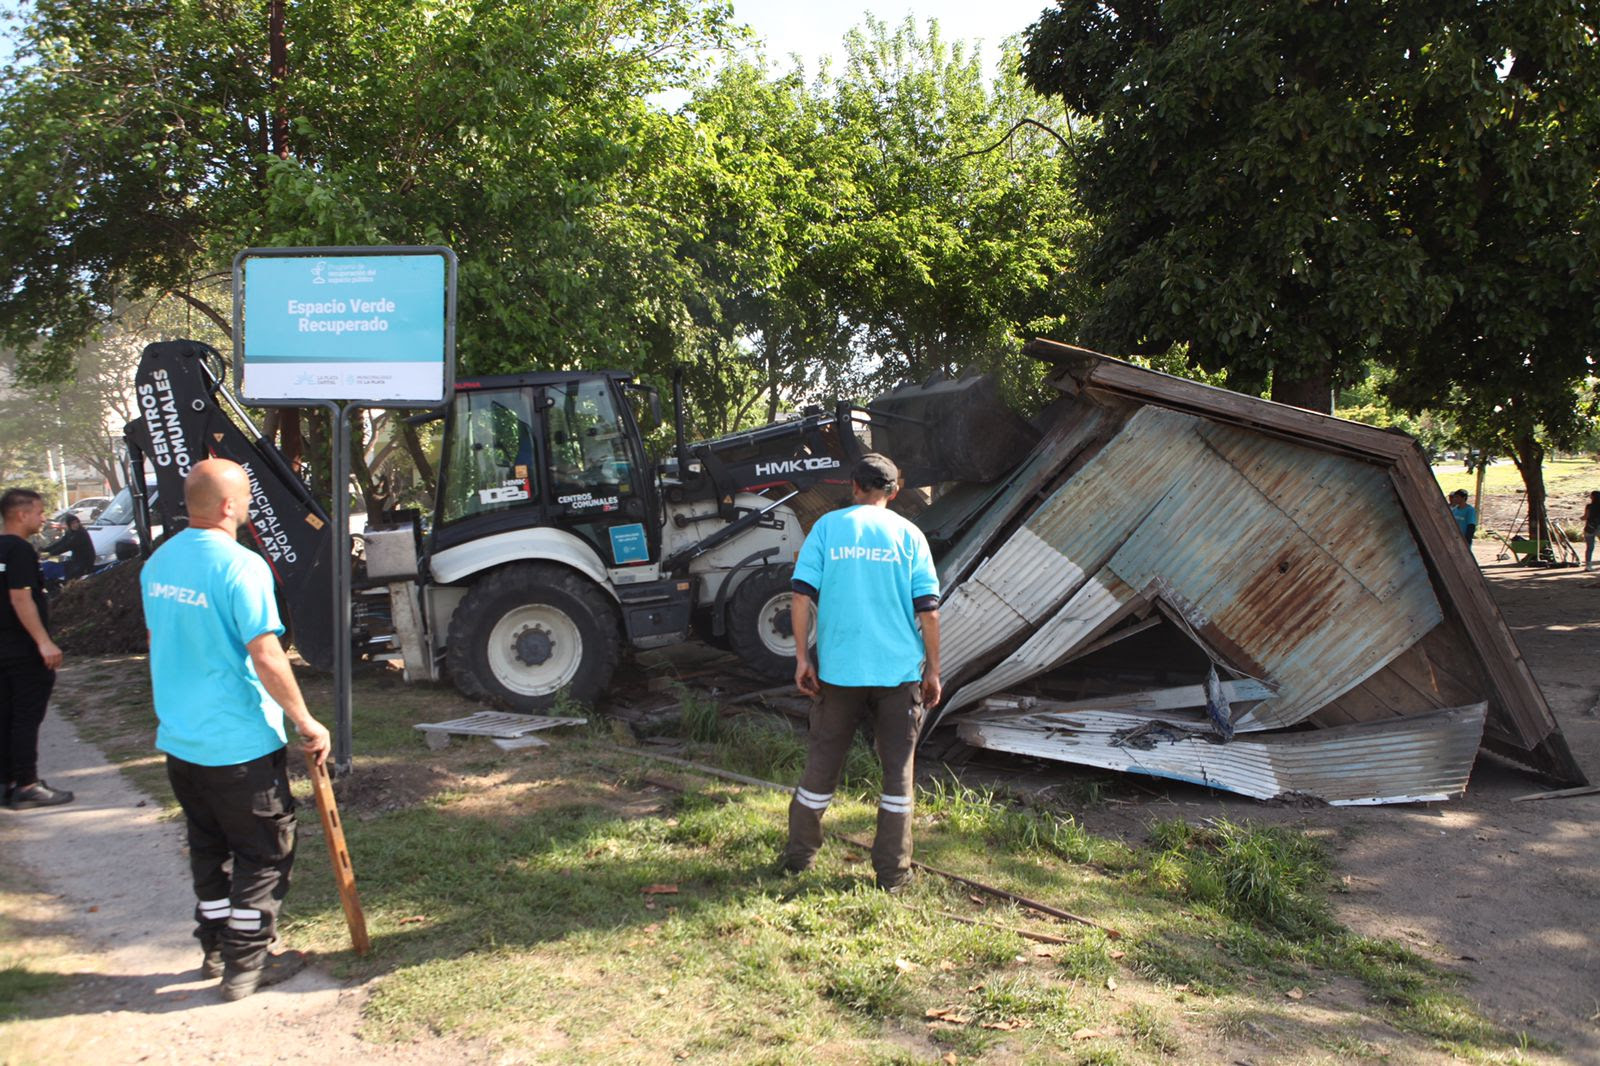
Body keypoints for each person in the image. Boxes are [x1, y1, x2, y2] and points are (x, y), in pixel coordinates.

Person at [140, 458, 330, 1001]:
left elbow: (158, 640)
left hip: (182, 741)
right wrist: (305, 720)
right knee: (264, 853)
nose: (247, 506)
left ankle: (216, 948)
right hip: (238, 743)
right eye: (245, 498)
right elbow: (266, 653)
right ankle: (248, 963)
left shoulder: (158, 562)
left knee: (209, 847)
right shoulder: (241, 566)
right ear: (229, 505)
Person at [781, 453, 941, 891]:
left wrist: (802, 658)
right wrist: (933, 670)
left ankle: (798, 857)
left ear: (853, 487)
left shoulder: (827, 529)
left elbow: (800, 596)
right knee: (898, 776)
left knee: (822, 765)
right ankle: (893, 874)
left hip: (839, 672)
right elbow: (928, 612)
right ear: (895, 491)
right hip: (898, 674)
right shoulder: (910, 535)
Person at [0, 488, 72, 810]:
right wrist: (43, 642)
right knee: (26, 717)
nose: (43, 519)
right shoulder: (19, 550)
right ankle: (27, 784)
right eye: (39, 512)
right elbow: (20, 598)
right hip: (23, 650)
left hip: (3, 648)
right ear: (21, 514)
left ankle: (6, 781)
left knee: (6, 715)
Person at [39, 513, 95, 580]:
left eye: (77, 522)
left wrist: (50, 554)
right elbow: (61, 542)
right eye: (73, 523)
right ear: (69, 525)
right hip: (75, 558)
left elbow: (66, 546)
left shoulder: (81, 533)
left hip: (85, 560)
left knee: (70, 577)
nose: (75, 525)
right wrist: (46, 550)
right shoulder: (69, 532)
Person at [1583, 491, 1600, 572]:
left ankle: (1588, 566)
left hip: (1590, 527)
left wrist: (1581, 518)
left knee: (1589, 548)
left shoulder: (1589, 506)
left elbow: (1585, 517)